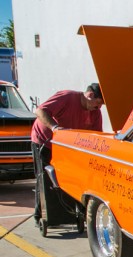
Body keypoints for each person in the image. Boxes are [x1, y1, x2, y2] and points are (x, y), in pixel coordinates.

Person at [31, 83, 105, 224]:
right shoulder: (67, 97)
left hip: (66, 147)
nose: (99, 108)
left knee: (68, 177)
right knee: (45, 177)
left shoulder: (95, 113)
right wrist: (55, 128)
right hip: (44, 141)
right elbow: (40, 111)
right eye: (98, 103)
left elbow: (96, 136)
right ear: (90, 95)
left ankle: (71, 212)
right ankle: (40, 215)